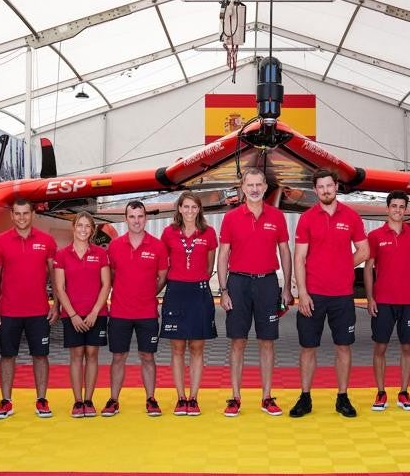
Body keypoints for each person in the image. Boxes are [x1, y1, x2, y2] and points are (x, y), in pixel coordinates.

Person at [290, 170, 369, 418]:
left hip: (342, 295)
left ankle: (342, 398)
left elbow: (364, 251)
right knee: (307, 348)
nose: (325, 190)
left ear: (336, 187)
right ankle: (305, 397)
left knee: (343, 347)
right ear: (316, 190)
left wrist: (345, 265)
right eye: (321, 187)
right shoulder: (307, 218)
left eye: (329, 186)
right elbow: (299, 257)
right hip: (313, 295)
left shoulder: (352, 217)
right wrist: (302, 293)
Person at [216, 168, 293, 417]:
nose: (255, 189)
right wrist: (224, 290)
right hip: (237, 284)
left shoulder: (277, 217)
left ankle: (267, 397)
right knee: (237, 341)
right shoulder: (231, 218)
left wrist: (287, 287)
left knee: (267, 342)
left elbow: (285, 252)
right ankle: (235, 397)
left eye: (259, 184)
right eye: (250, 185)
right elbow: (223, 254)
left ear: (265, 187)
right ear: (242, 187)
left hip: (267, 284)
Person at [0, 198, 59, 420]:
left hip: (38, 311)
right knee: (7, 356)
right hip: (8, 310)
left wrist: (56, 304)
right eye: (17, 214)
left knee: (40, 356)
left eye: (25, 213)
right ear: (12, 216)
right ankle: (6, 401)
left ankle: (41, 399)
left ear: (32, 215)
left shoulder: (47, 241)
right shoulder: (0, 241)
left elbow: (55, 277)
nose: (21, 218)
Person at [363, 190, 410, 411]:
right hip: (382, 301)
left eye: (402, 207)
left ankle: (403, 392)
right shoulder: (376, 236)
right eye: (394, 206)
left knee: (407, 347)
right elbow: (368, 268)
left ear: (405, 210)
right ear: (387, 208)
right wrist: (370, 298)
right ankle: (381, 393)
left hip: (408, 301)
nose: (398, 210)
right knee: (380, 347)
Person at [105, 201, 168, 417]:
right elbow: (111, 277)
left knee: (148, 356)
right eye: (132, 217)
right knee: (118, 357)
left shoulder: (158, 245)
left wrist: (148, 292)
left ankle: (151, 399)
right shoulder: (114, 246)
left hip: (147, 312)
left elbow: (162, 277)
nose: (136, 221)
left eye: (140, 216)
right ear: (126, 219)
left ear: (146, 218)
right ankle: (113, 400)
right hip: (120, 312)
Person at [160, 192, 219, 416]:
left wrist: (195, 281)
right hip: (175, 292)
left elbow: (209, 266)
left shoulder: (209, 233)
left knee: (196, 347)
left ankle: (193, 398)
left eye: (194, 207)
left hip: (199, 293)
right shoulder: (168, 233)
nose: (190, 211)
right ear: (179, 209)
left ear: (199, 210)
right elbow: (164, 265)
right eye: (186, 207)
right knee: (177, 348)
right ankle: (180, 398)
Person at [53, 211, 111, 418]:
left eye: (88, 226)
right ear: (73, 227)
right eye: (80, 225)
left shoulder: (101, 254)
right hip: (72, 314)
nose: (83, 230)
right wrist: (73, 315)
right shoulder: (62, 254)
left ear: (92, 230)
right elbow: (59, 288)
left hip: (97, 313)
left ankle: (89, 400)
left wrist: (95, 312)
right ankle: (78, 401)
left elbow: (106, 285)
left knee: (92, 355)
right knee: (76, 356)